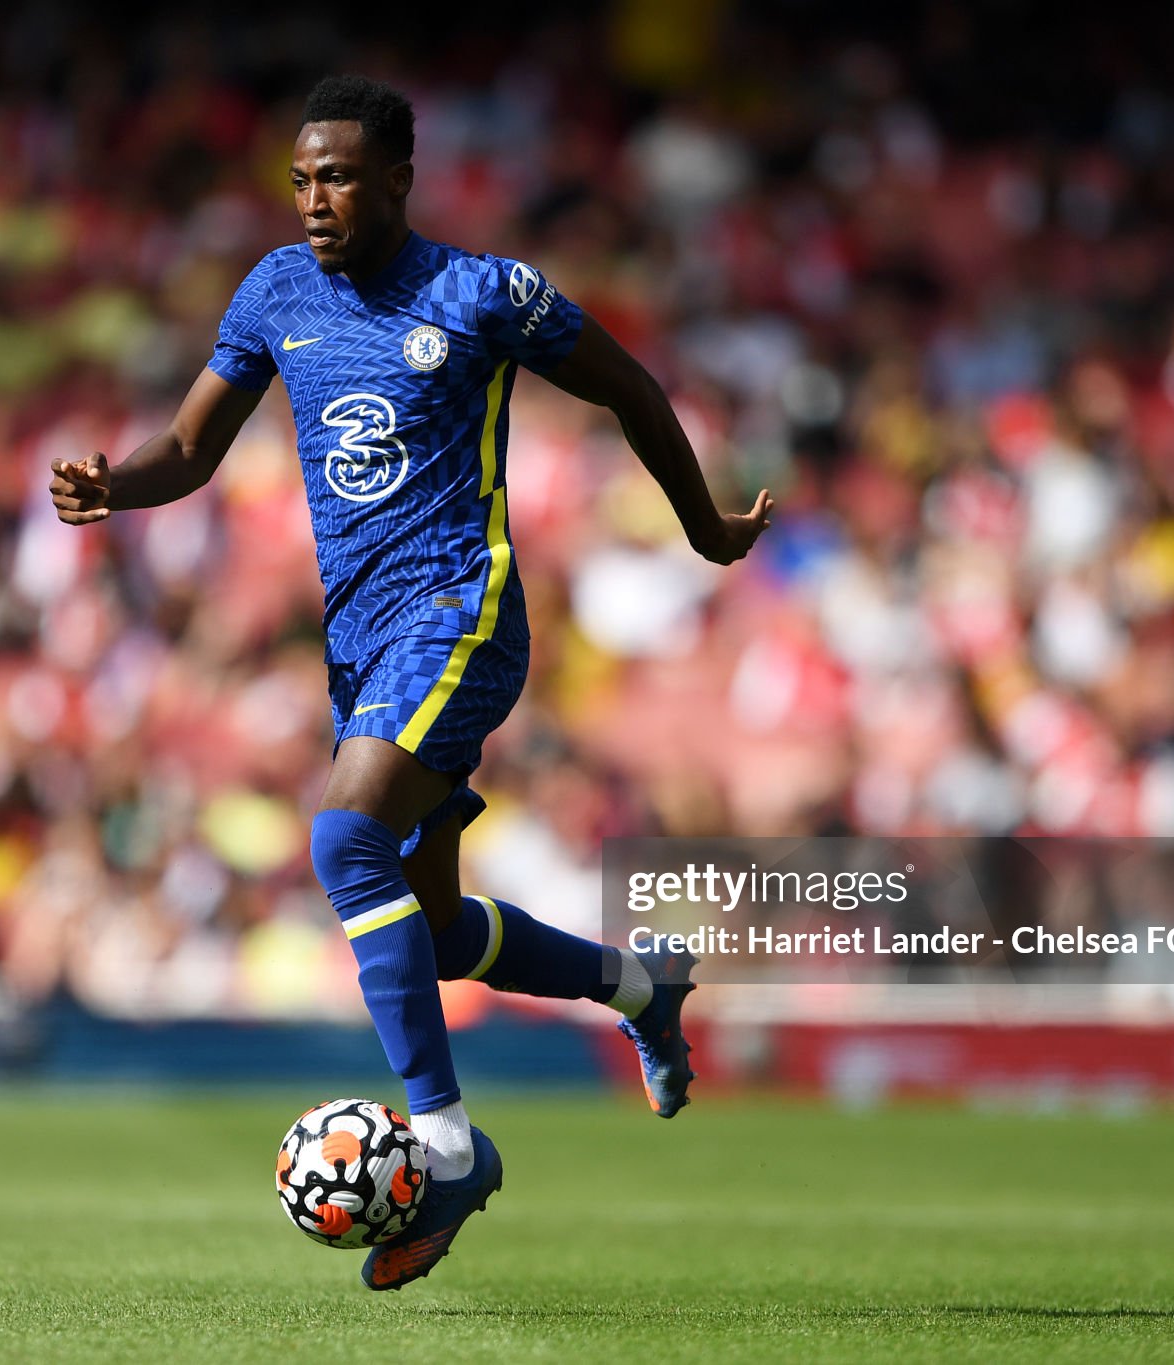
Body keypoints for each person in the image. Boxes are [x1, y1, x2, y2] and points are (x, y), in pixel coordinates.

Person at [50, 74, 772, 1290]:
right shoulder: (275, 291)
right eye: (298, 179)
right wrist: (116, 484)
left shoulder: (481, 292)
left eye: (335, 176)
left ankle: (443, 1143)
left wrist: (699, 521)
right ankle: (644, 989)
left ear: (396, 180)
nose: (313, 200)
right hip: (360, 645)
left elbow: (630, 387)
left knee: (342, 844)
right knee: (433, 934)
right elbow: (189, 446)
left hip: (460, 614)